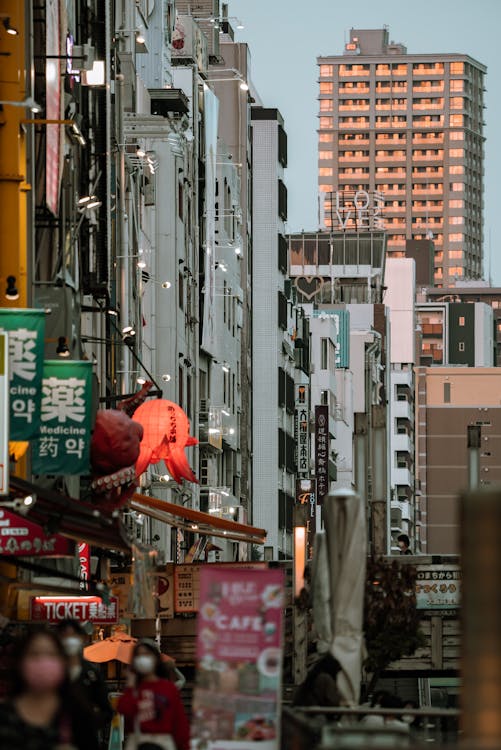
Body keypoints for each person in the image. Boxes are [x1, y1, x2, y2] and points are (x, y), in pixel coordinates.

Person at [0, 625, 99, 750]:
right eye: (34, 654)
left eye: (51, 654)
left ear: (62, 662)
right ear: (20, 662)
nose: (43, 661)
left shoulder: (77, 714)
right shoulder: (5, 716)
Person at [118, 638, 190, 750]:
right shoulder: (134, 689)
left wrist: (185, 746)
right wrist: (130, 685)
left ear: (156, 658)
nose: (143, 658)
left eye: (147, 654)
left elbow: (179, 723)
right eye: (139, 655)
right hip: (138, 742)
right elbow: (124, 709)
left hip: (164, 742)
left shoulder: (168, 688)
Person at [56, 618, 112, 743]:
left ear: (81, 638)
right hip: (55, 739)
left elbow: (106, 710)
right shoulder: (51, 671)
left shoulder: (92, 673)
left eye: (73, 635)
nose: (69, 640)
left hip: (86, 739)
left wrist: (91, 721)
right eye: (64, 635)